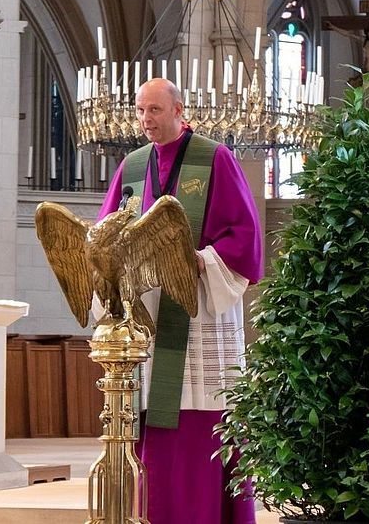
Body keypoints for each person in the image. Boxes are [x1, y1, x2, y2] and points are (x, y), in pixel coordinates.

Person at [97, 78, 263, 524]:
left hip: (200, 310)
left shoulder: (214, 158)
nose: (145, 120)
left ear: (178, 110)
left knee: (201, 427)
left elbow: (244, 239)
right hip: (150, 316)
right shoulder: (132, 166)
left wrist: (197, 260)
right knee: (155, 421)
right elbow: (105, 233)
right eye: (140, 111)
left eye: (154, 110)